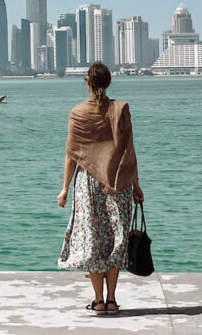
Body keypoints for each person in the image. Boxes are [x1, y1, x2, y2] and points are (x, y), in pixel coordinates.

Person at [57, 61, 144, 316]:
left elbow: (71, 154)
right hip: (118, 182)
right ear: (108, 83)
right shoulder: (121, 110)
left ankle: (98, 301)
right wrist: (137, 185)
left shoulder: (78, 113)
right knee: (116, 240)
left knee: (93, 241)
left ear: (87, 82)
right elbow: (130, 151)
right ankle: (112, 300)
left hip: (88, 184)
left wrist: (64, 189)